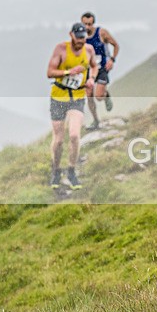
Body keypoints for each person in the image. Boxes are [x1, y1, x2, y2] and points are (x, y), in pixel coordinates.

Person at [47, 23, 98, 189]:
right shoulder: (61, 49)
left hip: (77, 97)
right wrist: (69, 72)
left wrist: (91, 79)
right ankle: (55, 170)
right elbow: (50, 72)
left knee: (75, 135)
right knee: (59, 140)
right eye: (78, 38)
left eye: (83, 38)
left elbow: (94, 65)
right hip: (59, 97)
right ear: (71, 35)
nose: (80, 41)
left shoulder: (89, 50)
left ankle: (71, 170)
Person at [81, 12, 120, 130]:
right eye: (85, 24)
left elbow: (116, 45)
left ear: (93, 23)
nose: (87, 27)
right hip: (88, 69)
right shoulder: (79, 36)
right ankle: (96, 121)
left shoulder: (101, 33)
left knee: (98, 96)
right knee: (89, 96)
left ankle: (106, 95)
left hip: (102, 68)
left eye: (89, 24)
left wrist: (112, 60)